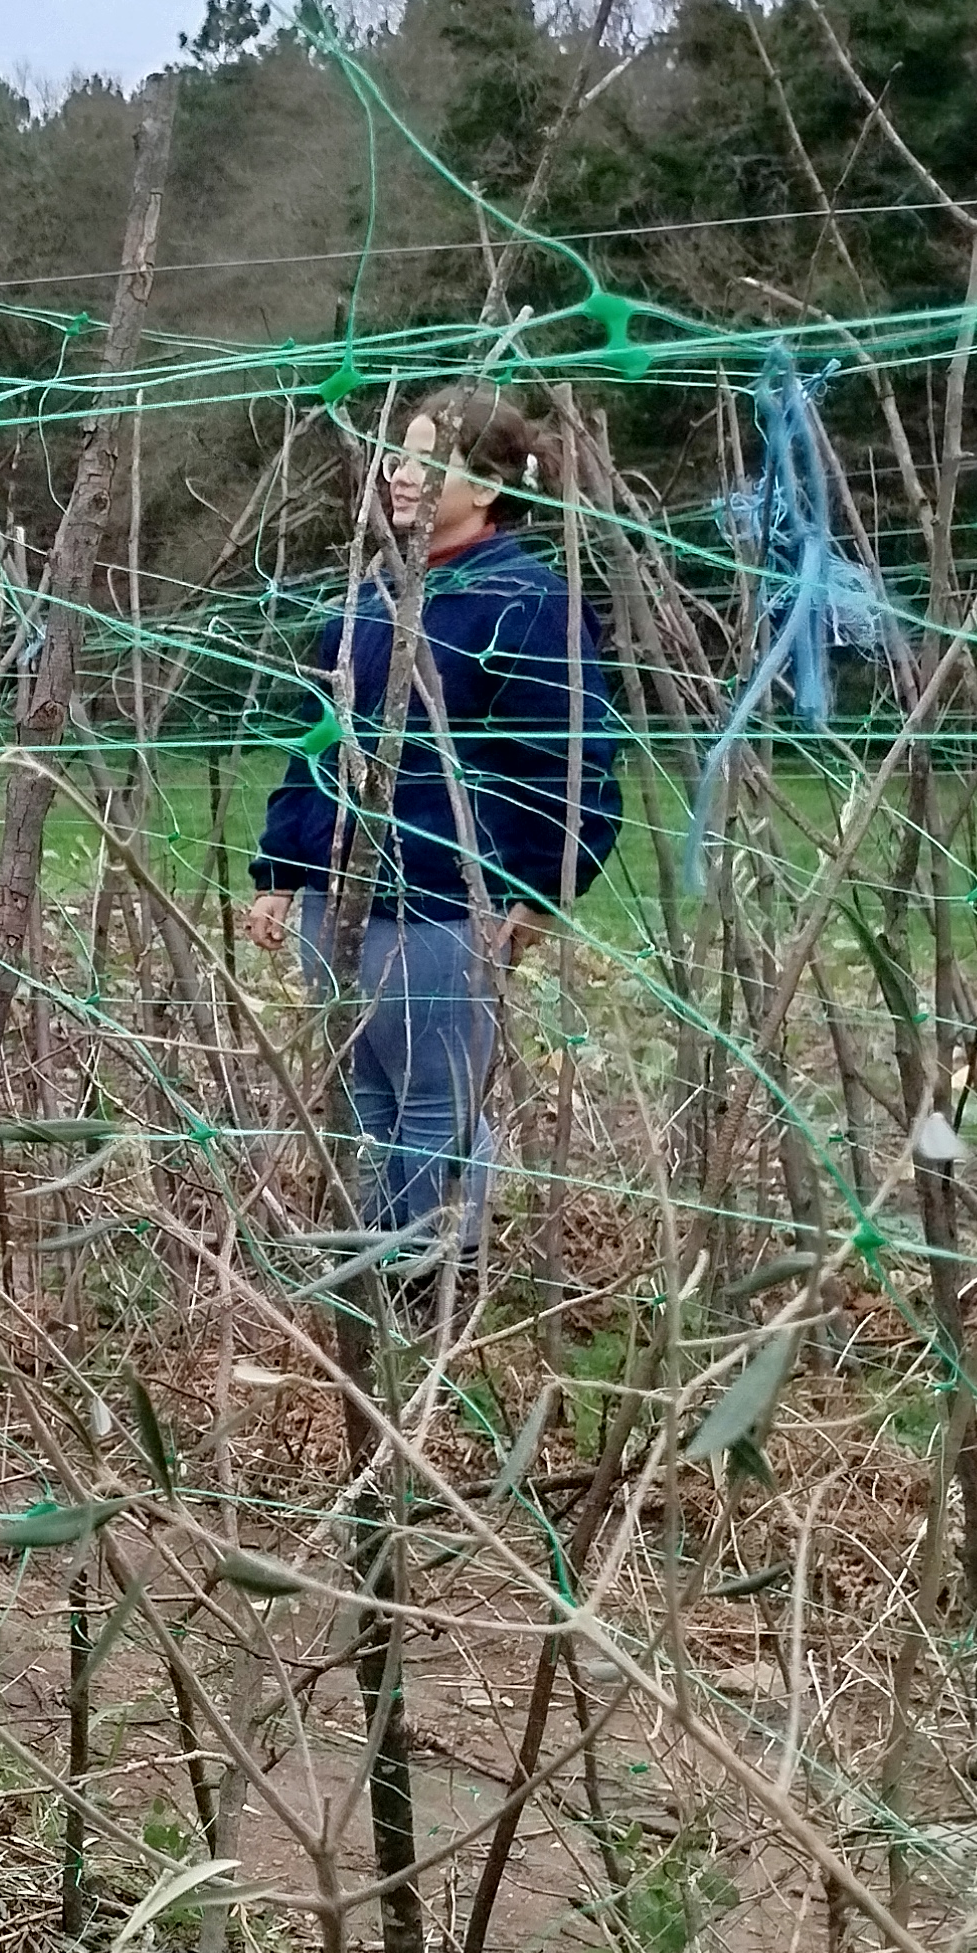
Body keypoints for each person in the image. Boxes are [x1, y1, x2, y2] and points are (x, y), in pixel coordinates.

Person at [241, 384, 622, 1296]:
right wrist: (282, 870)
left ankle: (414, 1289)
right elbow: (318, 743)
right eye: (397, 455)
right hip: (339, 896)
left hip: (444, 903)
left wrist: (537, 887)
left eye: (425, 457)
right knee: (365, 1098)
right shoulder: (370, 595)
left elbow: (570, 757)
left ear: (488, 488)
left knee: (432, 1106)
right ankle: (385, 1273)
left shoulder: (523, 601)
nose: (399, 474)